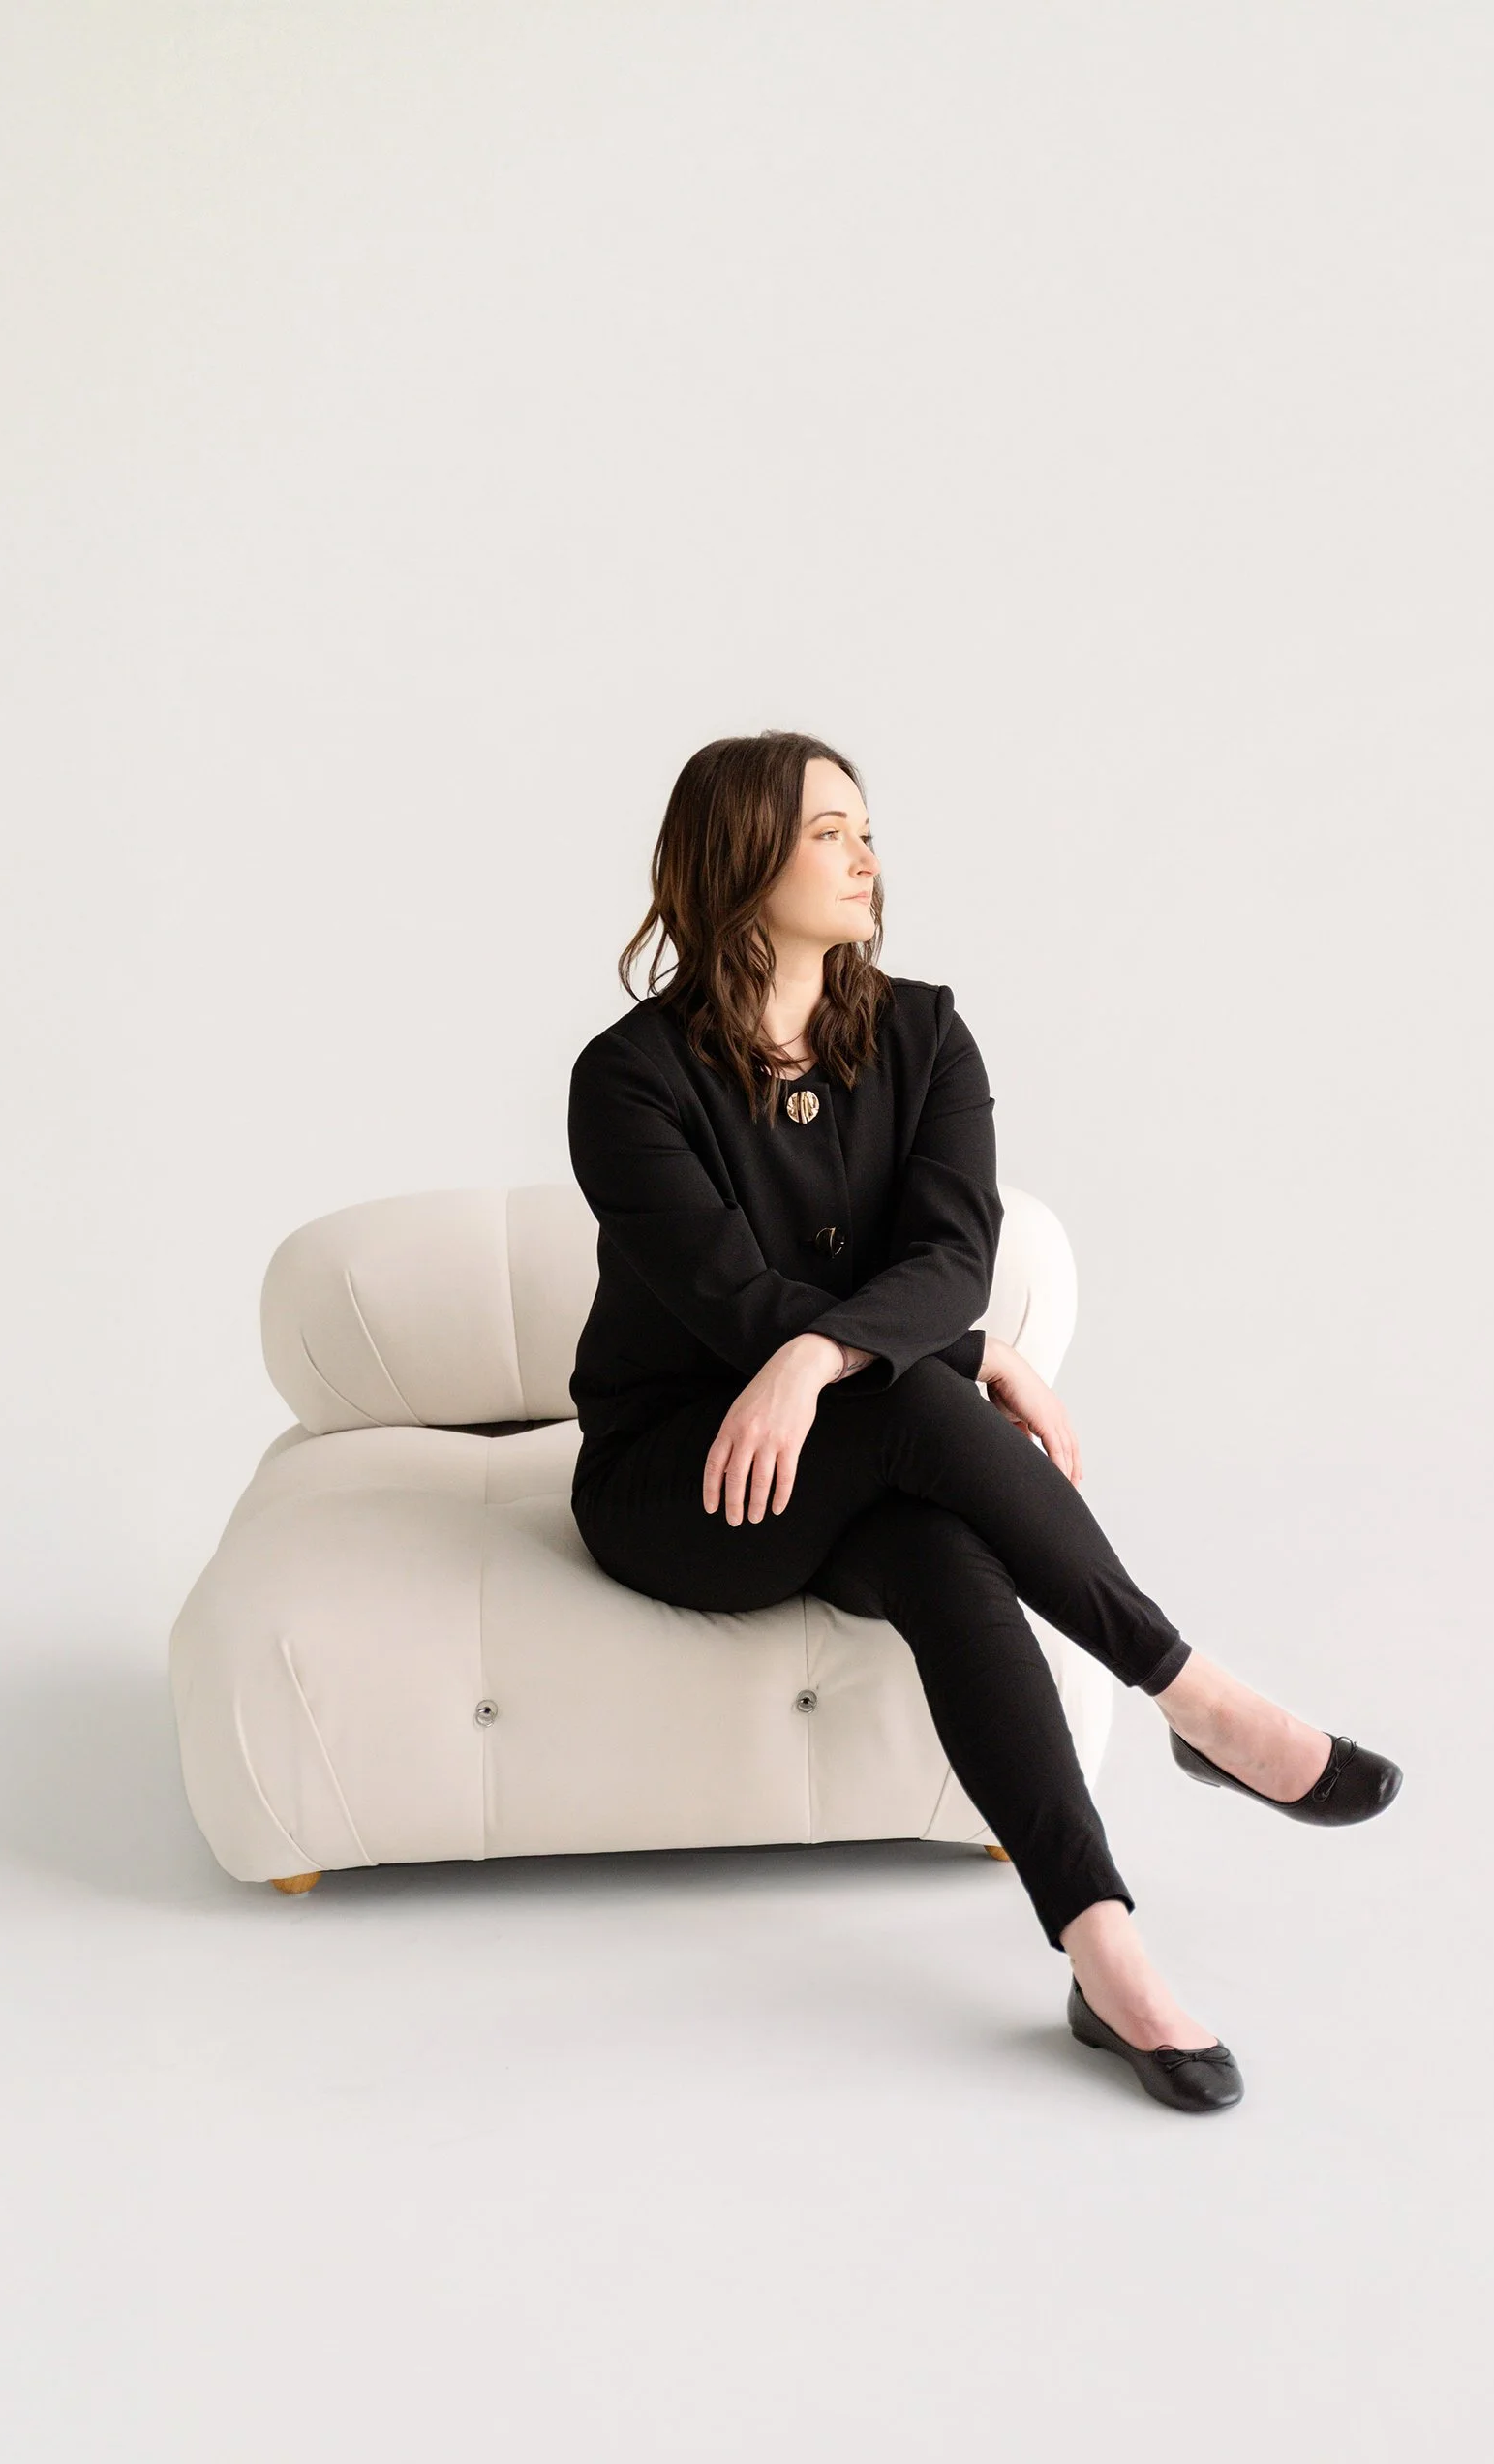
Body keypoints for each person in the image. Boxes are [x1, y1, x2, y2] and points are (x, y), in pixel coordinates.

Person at [564, 731, 1401, 2112]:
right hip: (679, 1481)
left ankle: (1104, 1949)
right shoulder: (629, 1080)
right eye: (829, 829)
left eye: (867, 826)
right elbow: (729, 1297)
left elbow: (955, 1255)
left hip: (853, 1436)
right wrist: (937, 1354)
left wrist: (852, 1347)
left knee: (945, 1551)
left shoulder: (925, 1033)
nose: (866, 853)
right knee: (934, 1420)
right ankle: (1199, 1699)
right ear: (739, 854)